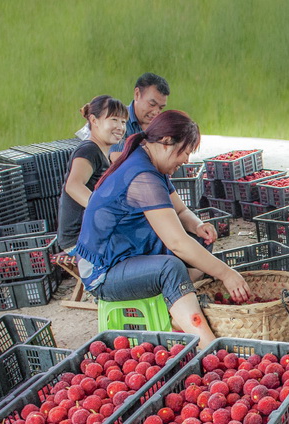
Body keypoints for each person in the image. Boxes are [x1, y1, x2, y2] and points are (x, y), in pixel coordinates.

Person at [75, 110, 250, 348]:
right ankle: (209, 347)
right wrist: (227, 274)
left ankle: (178, 309)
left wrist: (198, 225)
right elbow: (177, 243)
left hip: (128, 254)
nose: (186, 160)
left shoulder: (151, 163)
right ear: (167, 142)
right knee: (171, 267)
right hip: (104, 272)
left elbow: (180, 211)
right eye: (186, 152)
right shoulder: (143, 176)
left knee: (199, 242)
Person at [57, 95, 128, 254]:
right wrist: (107, 212)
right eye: (114, 120)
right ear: (94, 120)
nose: (120, 127)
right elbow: (73, 186)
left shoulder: (104, 154)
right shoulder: (89, 150)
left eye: (123, 122)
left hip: (96, 235)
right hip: (80, 241)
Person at [109, 73, 170, 162]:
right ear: (137, 94)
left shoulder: (161, 126)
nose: (156, 112)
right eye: (152, 104)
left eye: (161, 108)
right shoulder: (118, 120)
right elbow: (118, 159)